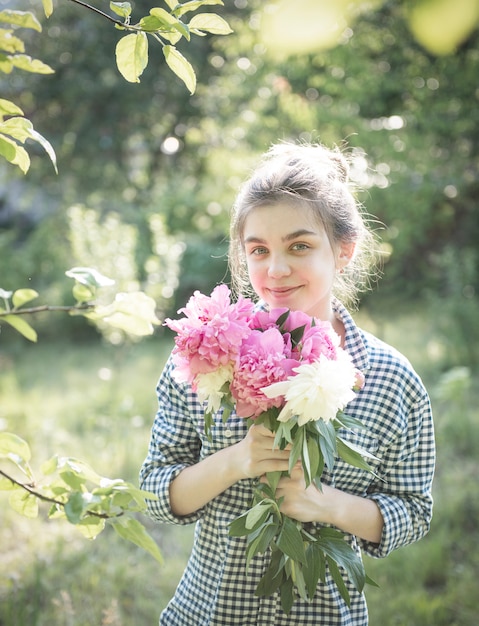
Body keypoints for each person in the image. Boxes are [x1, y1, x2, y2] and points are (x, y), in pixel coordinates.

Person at [139, 141, 436, 625]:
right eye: (259, 250)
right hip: (208, 614)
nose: (275, 270)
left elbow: (414, 512)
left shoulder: (391, 378)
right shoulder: (204, 355)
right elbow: (154, 491)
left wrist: (325, 504)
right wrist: (236, 460)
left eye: (299, 246)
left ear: (344, 251)